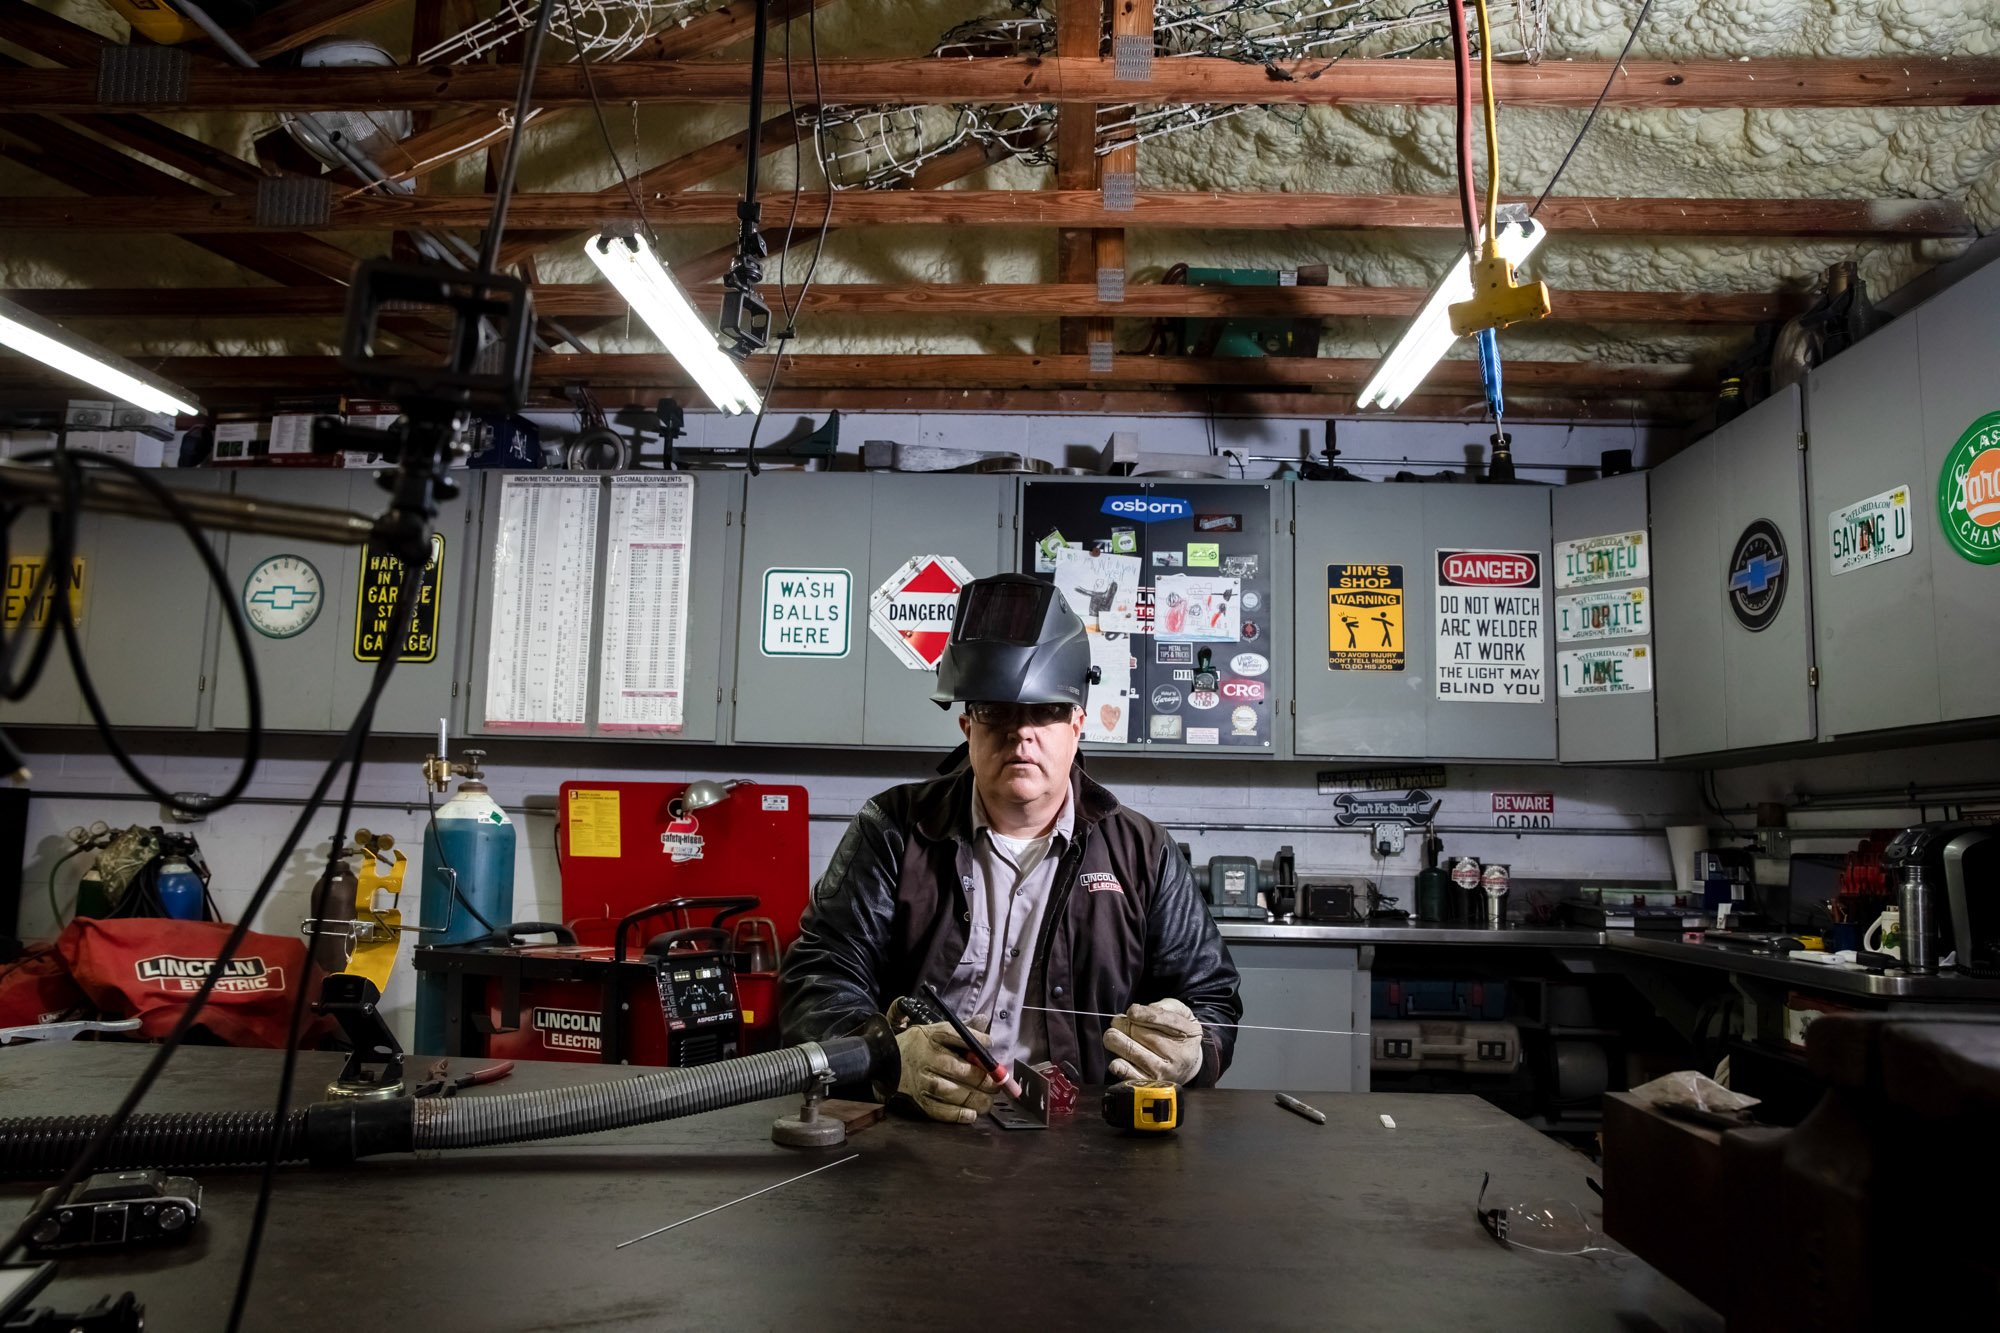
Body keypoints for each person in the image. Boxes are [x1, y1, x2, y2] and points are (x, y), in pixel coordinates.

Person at [779, 573, 1243, 1123]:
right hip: (919, 1125)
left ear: (1078, 723)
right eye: (997, 712)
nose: (1021, 734)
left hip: (1086, 1137)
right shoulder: (894, 830)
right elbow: (819, 980)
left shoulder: (1142, 852)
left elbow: (1211, 999)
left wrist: (1191, 1051)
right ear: (967, 724)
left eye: (1045, 711)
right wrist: (887, 1056)